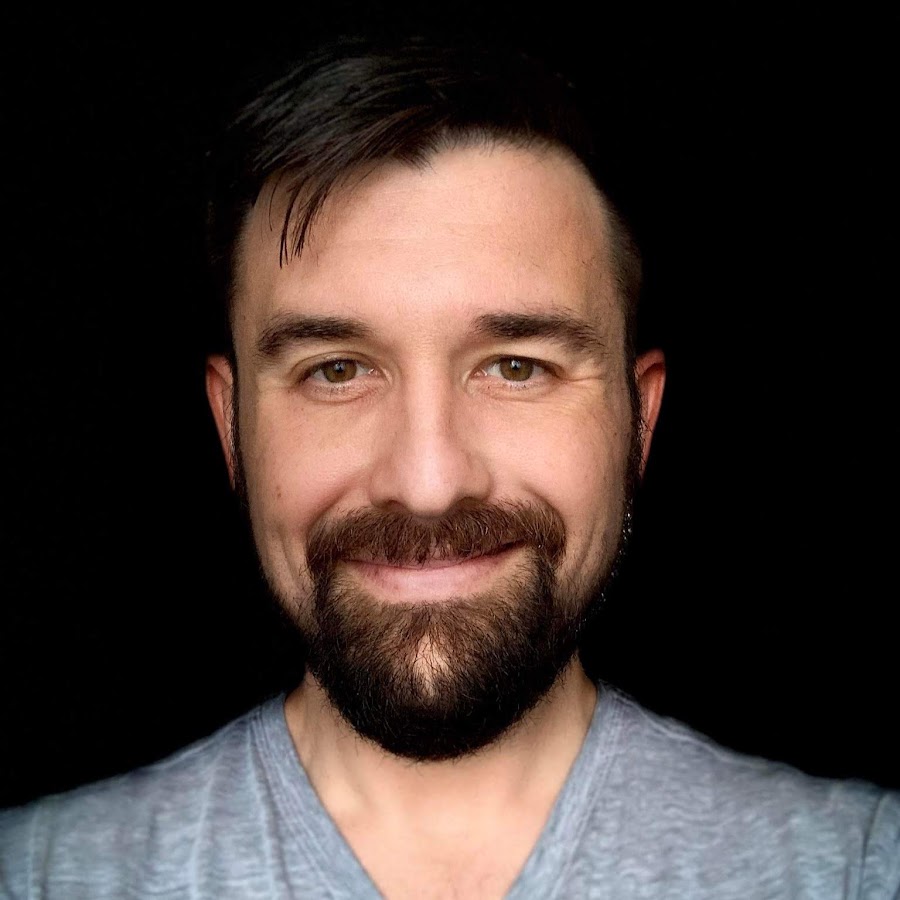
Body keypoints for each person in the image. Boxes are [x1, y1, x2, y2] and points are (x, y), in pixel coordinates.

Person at [1, 33, 898, 900]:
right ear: (231, 430)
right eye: (336, 371)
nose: (428, 482)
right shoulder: (36, 876)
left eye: (516, 367)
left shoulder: (857, 870)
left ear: (641, 423)